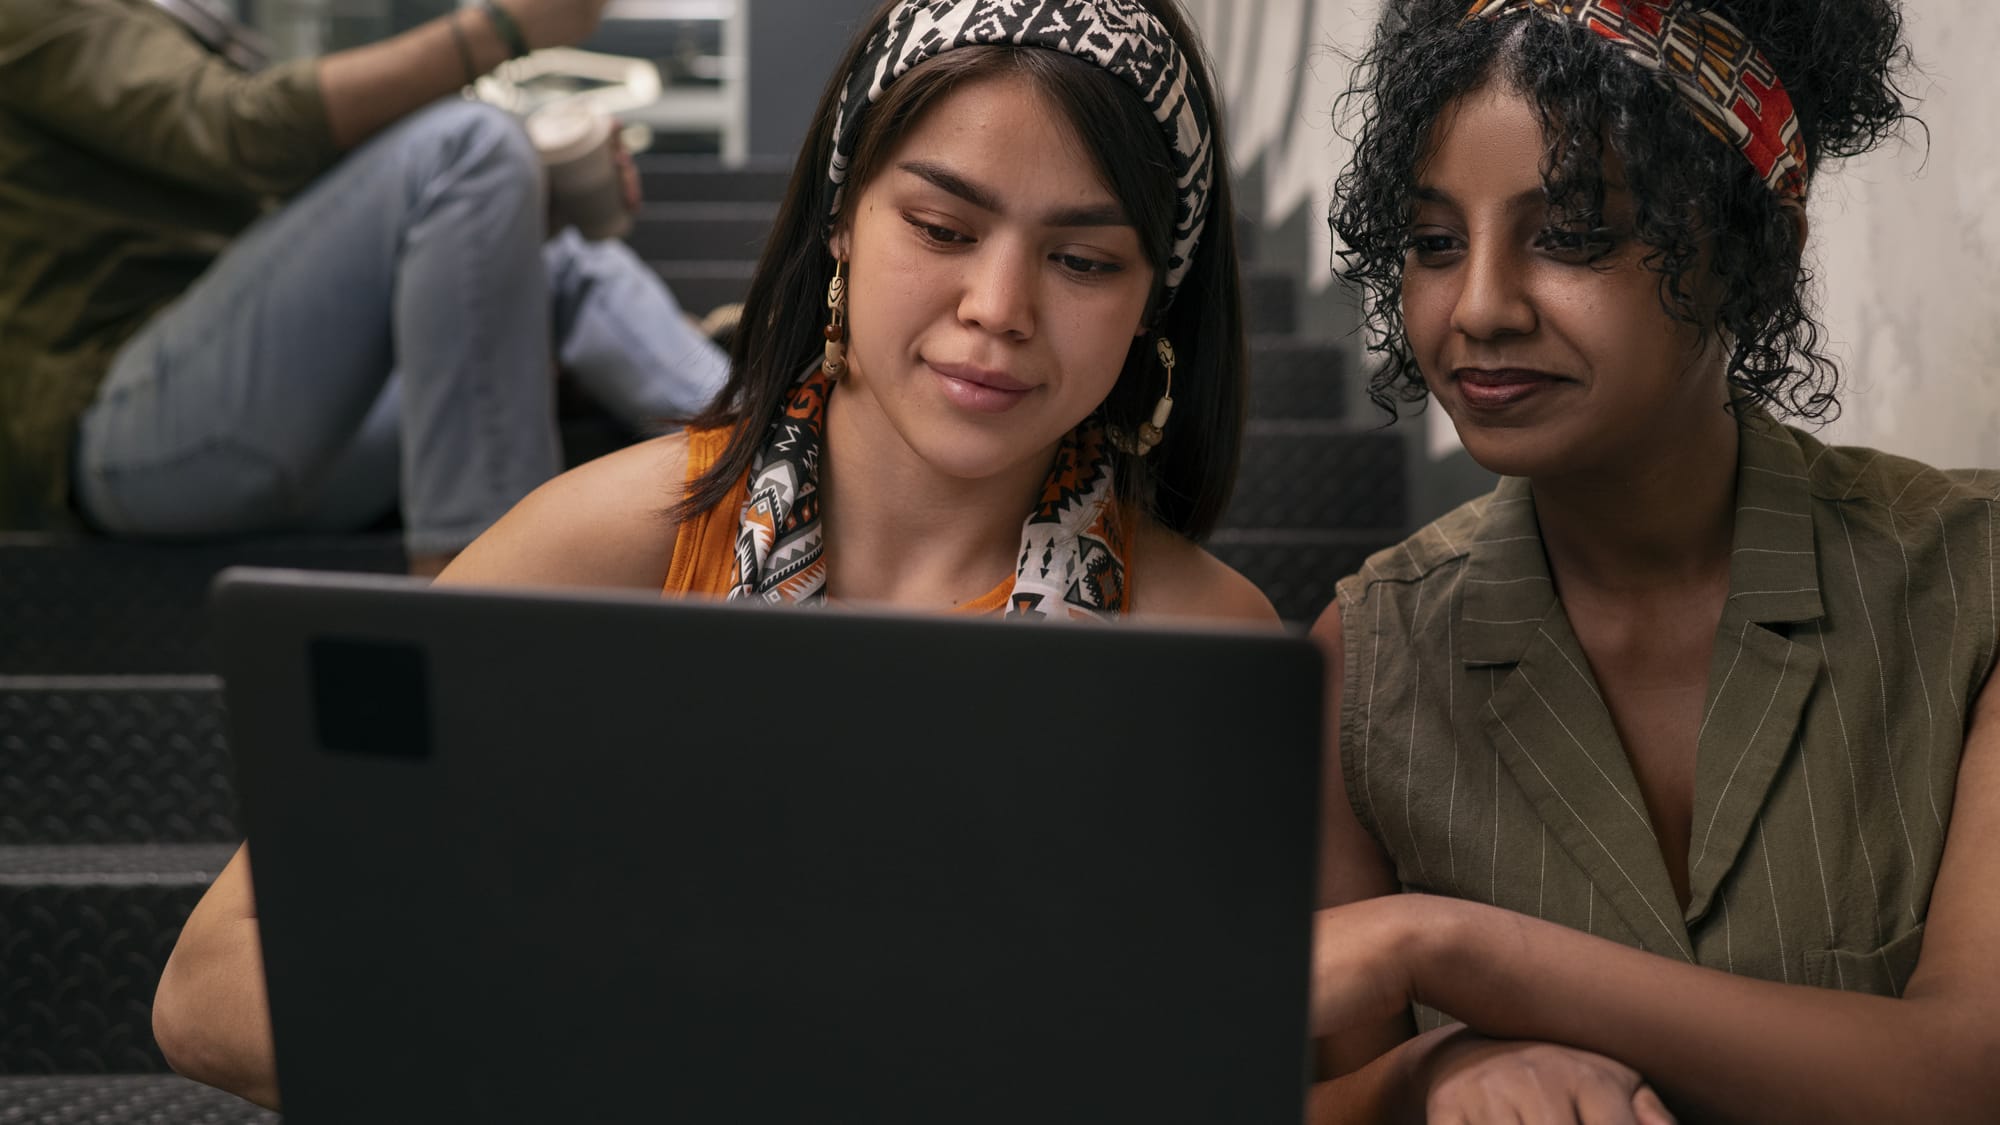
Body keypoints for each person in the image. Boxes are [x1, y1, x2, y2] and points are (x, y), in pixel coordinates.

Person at [152, 0, 1274, 1107]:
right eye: (939, 229)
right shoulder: (594, 548)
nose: (997, 306)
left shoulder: (1205, 645)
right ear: (842, 217)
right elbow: (211, 982)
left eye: (1082, 261)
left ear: (1152, 305)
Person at [1306, 0, 2000, 1121]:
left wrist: (1448, 950)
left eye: (1571, 234)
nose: (1475, 306)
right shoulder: (1370, 660)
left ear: (1748, 253)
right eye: (1435, 242)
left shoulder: (1972, 588)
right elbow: (1327, 1096)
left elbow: (1964, 1077)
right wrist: (1433, 1069)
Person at [0, 0, 730, 575]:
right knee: (470, 147)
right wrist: (505, 27)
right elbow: (241, 132)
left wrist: (519, 210)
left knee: (548, 240)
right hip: (124, 433)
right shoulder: (33, 13)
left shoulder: (171, 19)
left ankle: (773, 452)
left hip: (277, 425)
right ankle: (477, 606)